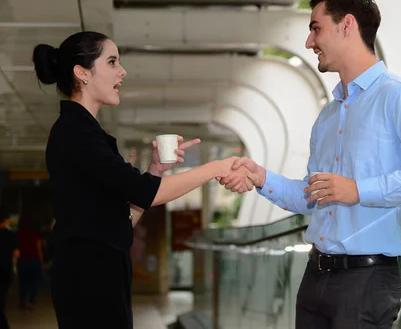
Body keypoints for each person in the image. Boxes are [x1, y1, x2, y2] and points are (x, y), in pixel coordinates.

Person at [220, 0, 401, 328]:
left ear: (347, 26)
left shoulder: (398, 97)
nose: (308, 42)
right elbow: (313, 196)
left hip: (367, 281)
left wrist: (359, 190)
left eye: (316, 28)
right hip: (315, 276)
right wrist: (260, 177)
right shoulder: (328, 118)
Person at [32, 31, 252, 329]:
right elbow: (149, 194)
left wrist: (156, 171)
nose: (122, 71)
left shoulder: (87, 133)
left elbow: (120, 221)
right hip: (87, 279)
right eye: (112, 62)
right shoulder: (76, 134)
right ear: (82, 72)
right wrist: (216, 167)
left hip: (98, 274)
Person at [16, 217, 43, 311]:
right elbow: (39, 249)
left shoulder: (19, 234)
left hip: (22, 260)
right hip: (34, 260)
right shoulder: (35, 234)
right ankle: (31, 302)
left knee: (22, 282)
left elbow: (16, 248)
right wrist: (41, 262)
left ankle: (22, 301)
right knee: (33, 282)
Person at [0, 210, 18, 329]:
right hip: (4, 272)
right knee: (1, 302)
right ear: (6, 220)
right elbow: (17, 253)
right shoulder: (10, 235)